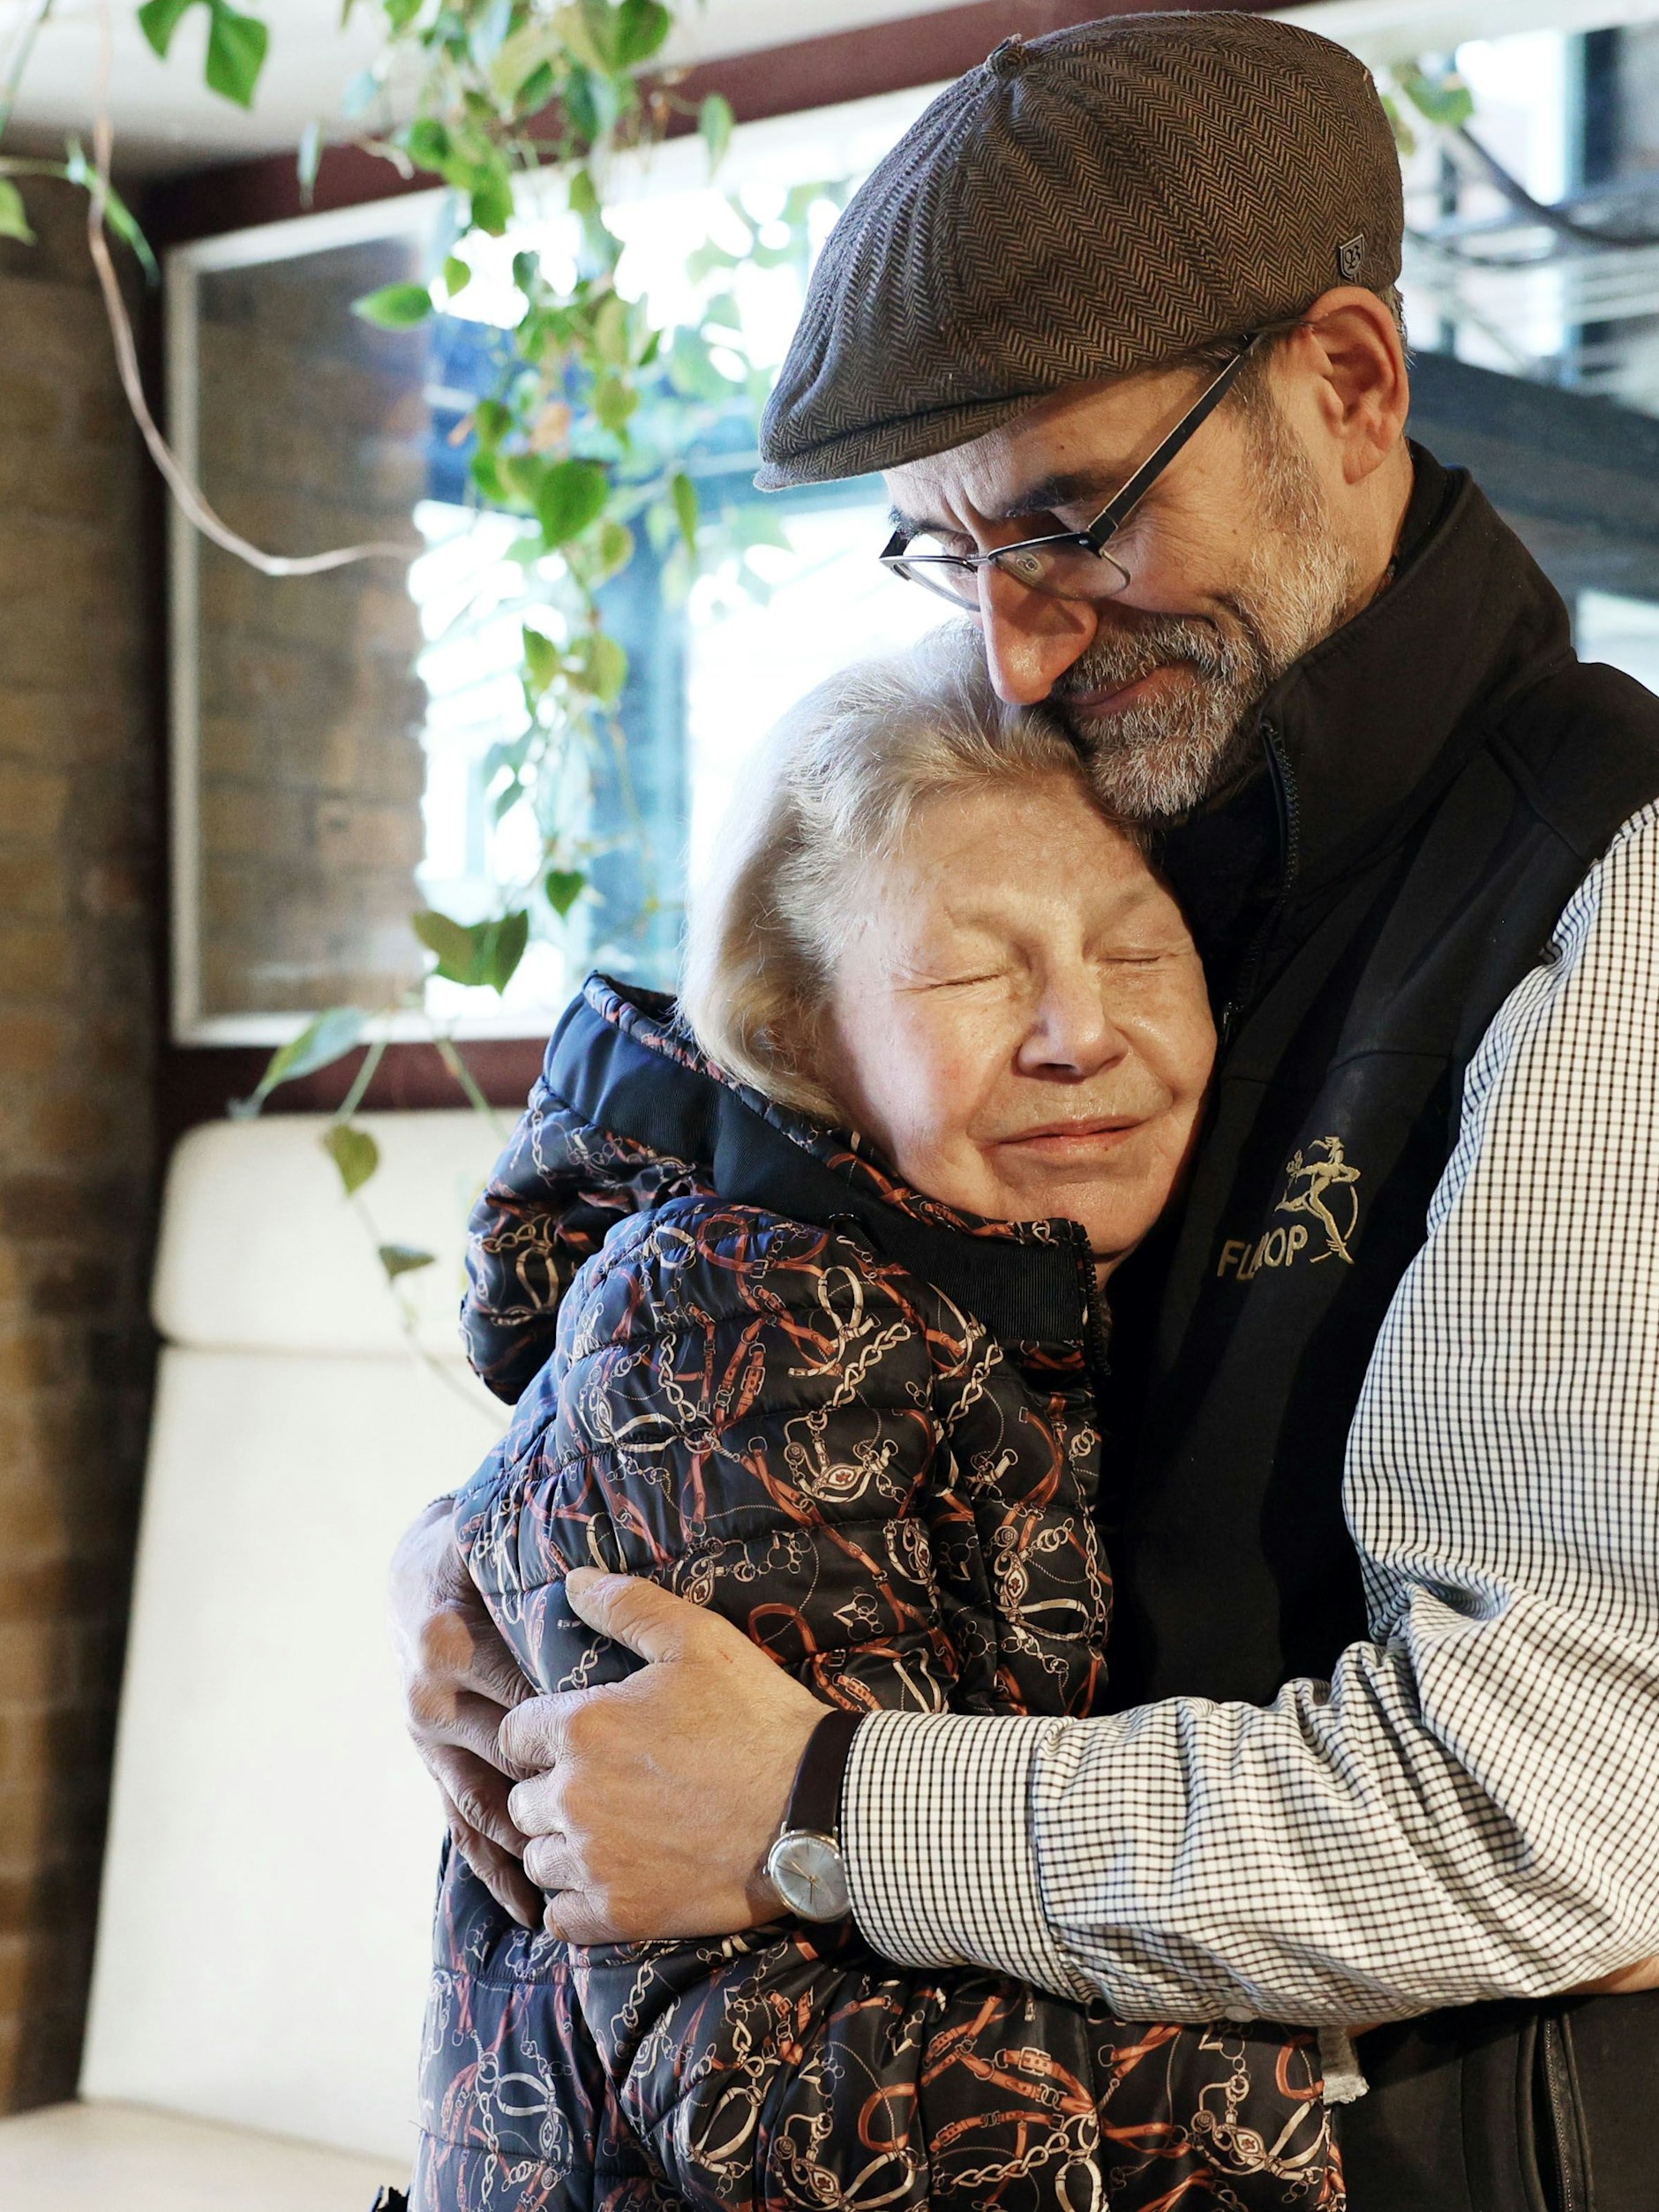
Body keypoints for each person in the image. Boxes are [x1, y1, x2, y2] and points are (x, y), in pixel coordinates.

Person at [394, 16, 1659, 2205]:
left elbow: (1524, 1815)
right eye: (945, 550)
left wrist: (812, 1802)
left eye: (1073, 519)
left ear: (1349, 383)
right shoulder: (1143, 793)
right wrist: (510, 1542)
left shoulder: (1605, 896)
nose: (1020, 647)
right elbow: (761, 1208)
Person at [412, 632, 1344, 2208]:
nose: (1080, 1032)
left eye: (1139, 957)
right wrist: (1364, 2102)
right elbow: (747, 2081)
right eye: (976, 972)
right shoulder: (749, 1324)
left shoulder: (1039, 1290)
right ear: (797, 1032)